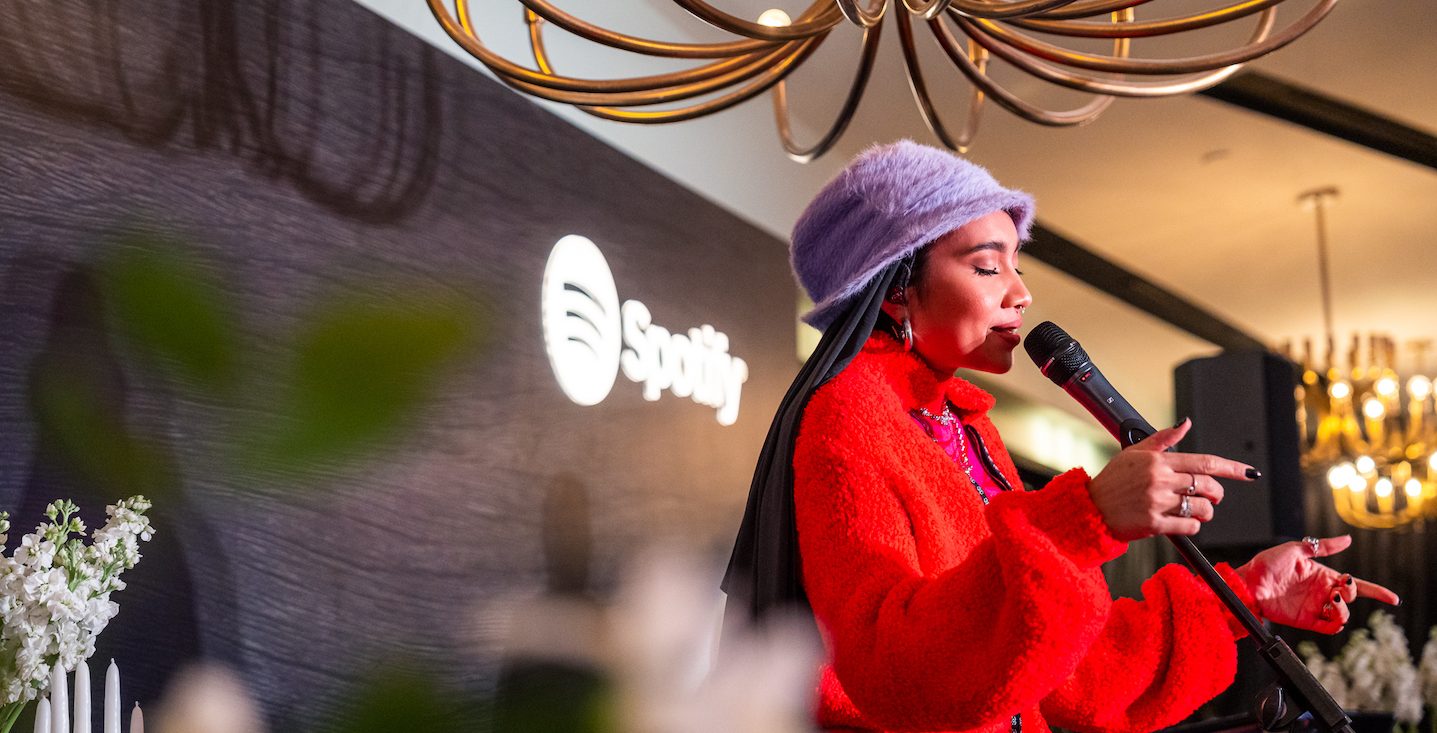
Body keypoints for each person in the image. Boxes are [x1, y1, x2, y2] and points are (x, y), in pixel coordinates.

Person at [722, 140, 1398, 733]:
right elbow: (892, 666)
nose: (1020, 293)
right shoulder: (848, 412)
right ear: (896, 288)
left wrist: (1246, 593)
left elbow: (1077, 673)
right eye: (987, 266)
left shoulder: (966, 424)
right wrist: (1082, 517)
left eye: (1017, 264)